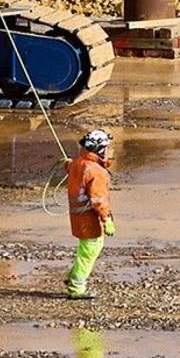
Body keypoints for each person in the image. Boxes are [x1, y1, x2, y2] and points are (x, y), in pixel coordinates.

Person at [62, 127, 117, 298]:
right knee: (90, 251)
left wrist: (67, 164)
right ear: (99, 149)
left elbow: (73, 168)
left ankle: (72, 277)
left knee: (85, 249)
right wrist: (107, 218)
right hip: (89, 218)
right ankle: (76, 287)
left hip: (78, 217)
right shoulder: (95, 171)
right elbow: (98, 199)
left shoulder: (78, 164)